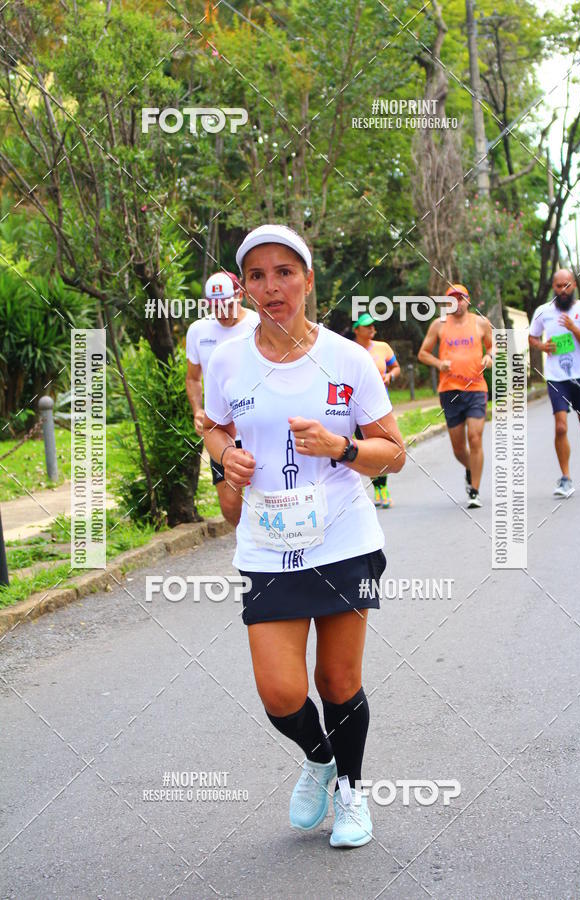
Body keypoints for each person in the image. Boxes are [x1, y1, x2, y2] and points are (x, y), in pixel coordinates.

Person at [203, 224, 405, 848]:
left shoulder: (348, 360)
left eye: (284, 273)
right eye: (257, 276)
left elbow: (394, 453)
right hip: (268, 544)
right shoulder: (226, 360)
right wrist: (226, 456)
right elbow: (213, 426)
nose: (272, 287)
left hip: (344, 541)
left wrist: (342, 447)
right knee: (280, 692)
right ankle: (320, 758)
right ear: (245, 288)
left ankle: (351, 791)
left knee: (338, 682)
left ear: (308, 280)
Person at [185, 271, 259, 523]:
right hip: (221, 431)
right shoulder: (198, 331)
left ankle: (264, 544)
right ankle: (246, 538)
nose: (222, 312)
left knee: (266, 494)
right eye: (215, 306)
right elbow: (193, 378)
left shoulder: (258, 324)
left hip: (256, 427)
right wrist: (197, 410)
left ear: (240, 296)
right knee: (230, 506)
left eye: (227, 305)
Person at [417, 284, 493, 508]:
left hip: (476, 388)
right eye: (452, 299)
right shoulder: (439, 325)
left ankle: (475, 491)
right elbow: (423, 353)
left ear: (468, 301)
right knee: (459, 449)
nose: (456, 303)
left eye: (460, 298)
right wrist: (439, 363)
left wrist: (489, 356)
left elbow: (493, 346)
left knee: (475, 438)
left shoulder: (480, 323)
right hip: (449, 390)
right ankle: (471, 468)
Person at [528, 268, 580, 496]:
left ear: (574, 285)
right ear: (553, 288)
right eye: (559, 286)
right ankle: (566, 478)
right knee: (560, 426)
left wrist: (573, 328)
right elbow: (532, 336)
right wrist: (542, 346)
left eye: (567, 285)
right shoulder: (543, 311)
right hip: (556, 377)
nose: (563, 290)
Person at [352, 313, 401, 508]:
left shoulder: (383, 347)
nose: (372, 329)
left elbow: (395, 367)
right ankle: (377, 488)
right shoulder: (350, 350)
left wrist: (390, 376)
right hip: (356, 408)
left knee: (382, 446)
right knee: (366, 449)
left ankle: (384, 488)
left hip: (379, 408)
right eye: (367, 326)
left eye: (373, 325)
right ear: (357, 330)